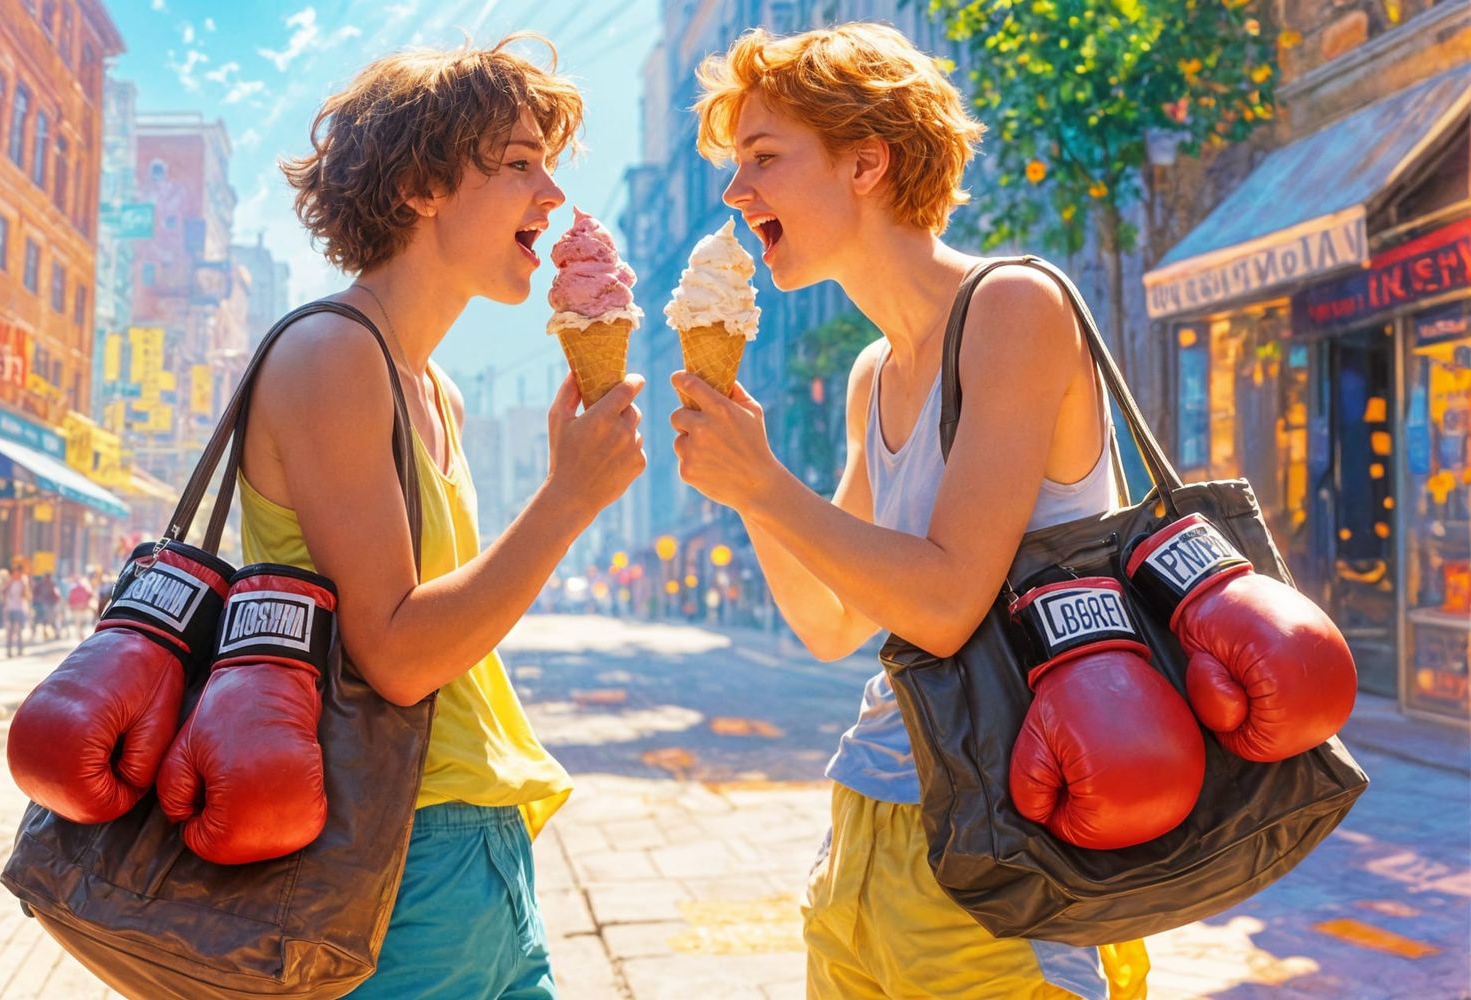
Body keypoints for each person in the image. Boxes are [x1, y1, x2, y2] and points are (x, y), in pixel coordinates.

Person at [671, 24, 1148, 999]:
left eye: (763, 158)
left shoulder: (1015, 307)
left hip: (998, 846)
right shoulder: (871, 375)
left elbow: (943, 602)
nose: (735, 192)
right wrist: (741, 481)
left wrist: (766, 484)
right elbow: (828, 620)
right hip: (862, 836)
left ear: (865, 161)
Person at [244, 35, 643, 997]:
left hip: (483, 844)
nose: (551, 196)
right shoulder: (330, 356)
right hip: (400, 851)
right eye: (517, 165)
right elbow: (398, 653)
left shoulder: (435, 389)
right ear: (422, 184)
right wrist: (568, 497)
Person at [2, 562, 31, 657]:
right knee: (10, 630)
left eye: (18, 572)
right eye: (14, 572)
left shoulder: (23, 582)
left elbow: (27, 596)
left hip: (20, 608)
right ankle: (9, 650)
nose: (16, 574)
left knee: (19, 630)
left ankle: (20, 649)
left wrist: (24, 585)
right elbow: (4, 593)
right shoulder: (9, 582)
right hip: (10, 608)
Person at [31, 573, 61, 642]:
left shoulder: (47, 584)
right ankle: (50, 633)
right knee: (46, 620)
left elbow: (35, 594)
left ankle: (54, 633)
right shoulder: (48, 584)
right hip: (44, 605)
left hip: (48, 605)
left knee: (48, 619)